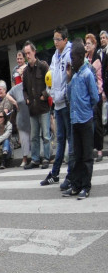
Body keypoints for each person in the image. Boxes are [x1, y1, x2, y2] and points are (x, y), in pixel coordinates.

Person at [65, 40, 98, 199]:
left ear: (81, 57)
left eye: (74, 57)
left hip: (85, 120)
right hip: (74, 121)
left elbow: (95, 98)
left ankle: (86, 186)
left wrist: (86, 110)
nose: (72, 60)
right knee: (77, 156)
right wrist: (69, 78)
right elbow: (68, 96)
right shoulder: (75, 76)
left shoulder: (87, 74)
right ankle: (76, 185)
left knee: (86, 156)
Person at [48, 27, 73, 189]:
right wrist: (50, 92)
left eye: (58, 39)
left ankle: (71, 175)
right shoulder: (54, 56)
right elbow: (49, 76)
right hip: (57, 104)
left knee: (70, 141)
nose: (55, 42)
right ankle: (55, 173)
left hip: (66, 104)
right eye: (54, 39)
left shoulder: (69, 54)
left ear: (65, 39)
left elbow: (69, 77)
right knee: (60, 140)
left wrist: (63, 94)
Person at [21, 41, 52, 172]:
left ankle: (46, 158)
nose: (27, 55)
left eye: (29, 53)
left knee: (45, 135)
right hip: (32, 109)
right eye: (25, 54)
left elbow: (50, 82)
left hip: (43, 107)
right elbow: (24, 90)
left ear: (34, 52)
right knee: (34, 136)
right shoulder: (26, 71)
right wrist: (27, 99)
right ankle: (35, 159)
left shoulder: (43, 66)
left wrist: (45, 95)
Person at [84, 33, 104, 162]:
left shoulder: (97, 58)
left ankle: (100, 150)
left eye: (89, 44)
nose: (86, 46)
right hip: (87, 96)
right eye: (85, 44)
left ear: (94, 44)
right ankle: (90, 149)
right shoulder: (85, 58)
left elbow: (98, 77)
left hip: (97, 93)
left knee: (97, 124)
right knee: (89, 123)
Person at [9, 51, 31, 167]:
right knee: (22, 132)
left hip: (30, 108)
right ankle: (25, 158)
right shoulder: (14, 70)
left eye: (20, 58)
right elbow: (12, 86)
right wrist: (15, 100)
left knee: (33, 134)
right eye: (17, 58)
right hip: (20, 105)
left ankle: (36, 156)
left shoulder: (28, 68)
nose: (18, 60)